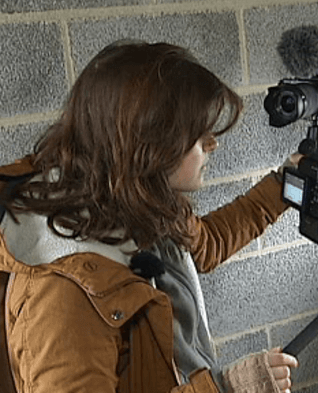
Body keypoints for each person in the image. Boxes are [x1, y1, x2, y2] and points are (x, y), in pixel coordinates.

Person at [0, 39, 301, 393]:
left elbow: (205, 244)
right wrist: (227, 388)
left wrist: (285, 184)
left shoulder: (131, 202)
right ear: (150, 144)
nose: (212, 143)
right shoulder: (62, 295)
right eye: (198, 134)